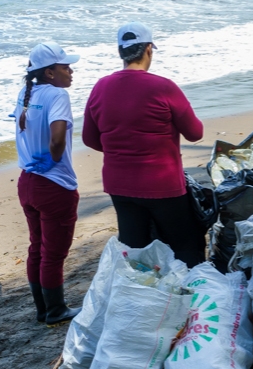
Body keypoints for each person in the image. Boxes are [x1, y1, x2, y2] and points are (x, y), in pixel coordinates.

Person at [83, 22, 206, 266]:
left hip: (119, 184)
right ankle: (191, 298)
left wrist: (122, 148)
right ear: (149, 49)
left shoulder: (100, 87)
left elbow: (90, 138)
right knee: (187, 244)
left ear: (120, 52)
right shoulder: (164, 87)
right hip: (162, 184)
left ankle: (142, 298)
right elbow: (195, 133)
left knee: (135, 249)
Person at [14, 42, 82, 326]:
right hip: (54, 185)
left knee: (37, 247)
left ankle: (42, 308)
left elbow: (23, 127)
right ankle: (55, 310)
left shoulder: (26, 93)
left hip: (27, 180)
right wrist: (54, 155)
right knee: (54, 253)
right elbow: (57, 137)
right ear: (50, 72)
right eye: (65, 66)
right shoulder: (57, 96)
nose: (71, 71)